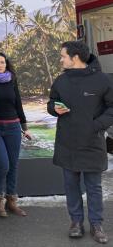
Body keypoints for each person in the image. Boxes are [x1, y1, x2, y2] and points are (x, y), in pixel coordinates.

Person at [48, 41, 113, 244]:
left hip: (92, 142)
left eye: (63, 56)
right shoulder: (60, 81)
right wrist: (54, 109)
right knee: (71, 185)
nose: (61, 60)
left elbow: (112, 108)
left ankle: (96, 224)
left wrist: (96, 126)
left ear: (75, 57)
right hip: (67, 141)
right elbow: (52, 102)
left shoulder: (103, 80)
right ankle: (76, 222)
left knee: (93, 186)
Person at [0, 52, 30, 218]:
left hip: (13, 127)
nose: (0, 65)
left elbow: (18, 103)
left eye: (3, 62)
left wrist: (25, 127)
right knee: (3, 163)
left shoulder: (12, 79)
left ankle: (11, 200)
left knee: (13, 164)